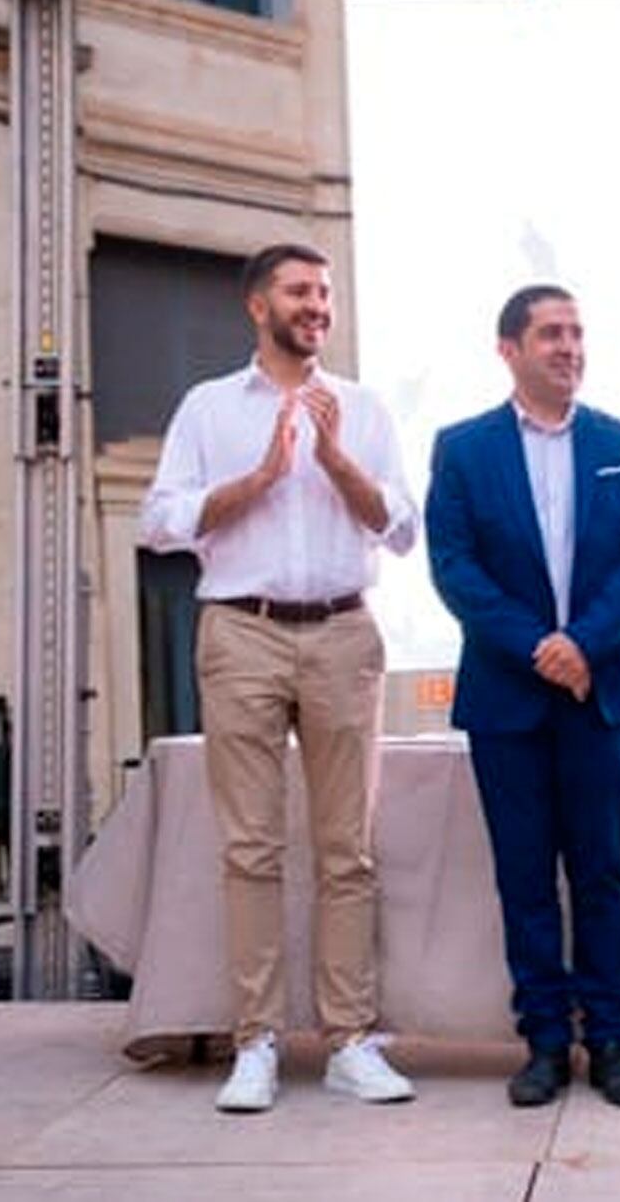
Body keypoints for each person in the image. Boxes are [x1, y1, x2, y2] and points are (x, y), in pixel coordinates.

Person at [139, 242, 418, 1113]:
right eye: (300, 291)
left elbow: (402, 529)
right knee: (250, 846)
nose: (317, 305)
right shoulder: (208, 408)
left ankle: (348, 1041)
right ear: (258, 306)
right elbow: (159, 523)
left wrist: (335, 461)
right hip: (242, 632)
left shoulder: (365, 409)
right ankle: (255, 1041)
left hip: (341, 630)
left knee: (349, 850)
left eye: (325, 292)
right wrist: (255, 480)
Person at [426, 284, 620, 1109]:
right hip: (508, 698)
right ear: (509, 350)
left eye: (576, 332)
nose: (568, 346)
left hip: (598, 694)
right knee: (524, 878)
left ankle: (613, 1043)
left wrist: (581, 642)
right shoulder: (462, 449)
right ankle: (545, 1042)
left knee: (600, 874)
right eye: (550, 333)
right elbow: (454, 568)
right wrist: (536, 647)